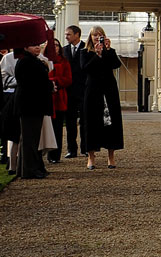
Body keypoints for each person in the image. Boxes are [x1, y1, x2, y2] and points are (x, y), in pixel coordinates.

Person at [80, 26, 123, 171]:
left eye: (100, 35)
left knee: (112, 123)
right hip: (93, 91)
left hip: (109, 90)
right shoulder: (85, 53)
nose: (97, 37)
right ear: (90, 37)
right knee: (91, 123)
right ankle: (91, 156)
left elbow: (116, 65)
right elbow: (85, 69)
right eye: (94, 35)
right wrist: (97, 55)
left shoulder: (110, 51)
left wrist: (108, 51)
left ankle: (111, 156)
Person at [14, 34, 53, 180]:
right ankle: (29, 170)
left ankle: (26, 168)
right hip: (29, 105)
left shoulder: (32, 60)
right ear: (25, 47)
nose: (37, 47)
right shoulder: (26, 62)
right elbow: (34, 83)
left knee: (30, 139)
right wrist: (49, 85)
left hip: (32, 104)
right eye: (33, 45)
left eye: (38, 44)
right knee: (30, 139)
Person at [45, 36, 73, 165]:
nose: (55, 47)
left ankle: (55, 155)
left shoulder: (64, 61)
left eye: (57, 45)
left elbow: (68, 79)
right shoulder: (43, 60)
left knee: (57, 128)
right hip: (47, 97)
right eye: (52, 45)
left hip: (60, 97)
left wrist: (56, 81)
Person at [62, 26, 85, 158]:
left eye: (69, 34)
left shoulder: (86, 48)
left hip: (83, 90)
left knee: (84, 121)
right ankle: (71, 149)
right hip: (69, 92)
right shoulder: (64, 51)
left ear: (77, 35)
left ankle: (85, 148)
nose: (66, 37)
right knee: (70, 122)